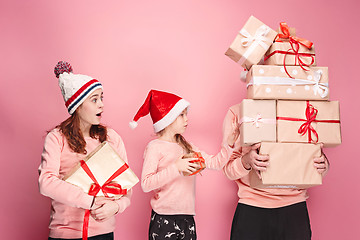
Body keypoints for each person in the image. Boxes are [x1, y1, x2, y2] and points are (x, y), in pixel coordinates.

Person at [38, 61, 132, 240]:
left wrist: (117, 206)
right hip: (64, 234)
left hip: (103, 233)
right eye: (94, 99)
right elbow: (46, 182)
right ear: (78, 106)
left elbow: (125, 186)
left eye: (102, 98)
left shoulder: (112, 138)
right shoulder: (56, 138)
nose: (101, 105)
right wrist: (90, 201)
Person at [129, 89, 239, 240]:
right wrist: (176, 167)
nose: (186, 119)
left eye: (186, 114)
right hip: (163, 219)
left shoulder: (189, 147)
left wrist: (229, 144)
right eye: (181, 115)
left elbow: (215, 163)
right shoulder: (155, 147)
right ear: (167, 118)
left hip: (187, 219)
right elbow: (146, 184)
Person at [222, 103, 329, 240]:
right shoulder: (238, 113)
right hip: (251, 209)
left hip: (294, 209)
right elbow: (227, 169)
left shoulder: (304, 110)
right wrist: (247, 161)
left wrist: (323, 165)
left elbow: (315, 163)